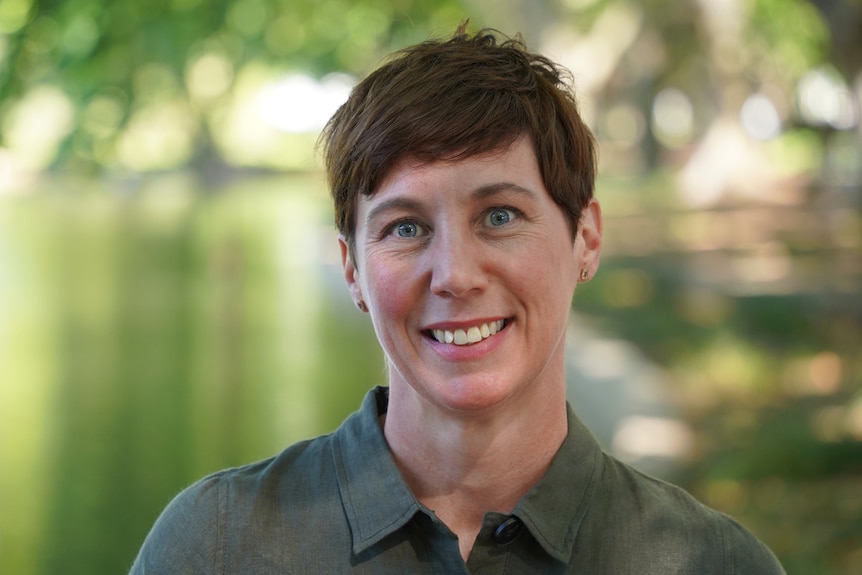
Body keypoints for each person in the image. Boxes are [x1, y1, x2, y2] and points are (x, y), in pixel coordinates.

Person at [130, 23, 785, 574]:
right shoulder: (216, 545)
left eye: (499, 215)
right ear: (352, 269)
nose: (456, 275)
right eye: (406, 227)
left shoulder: (713, 560)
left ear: (585, 237)